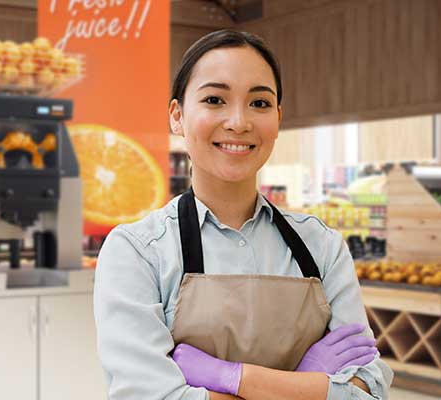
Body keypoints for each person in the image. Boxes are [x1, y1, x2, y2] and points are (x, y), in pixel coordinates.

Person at [93, 29, 393, 400]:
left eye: (260, 104)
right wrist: (307, 383)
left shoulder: (322, 247)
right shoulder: (138, 252)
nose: (238, 121)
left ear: (278, 118)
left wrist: (232, 377)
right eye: (215, 99)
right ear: (177, 116)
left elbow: (370, 391)